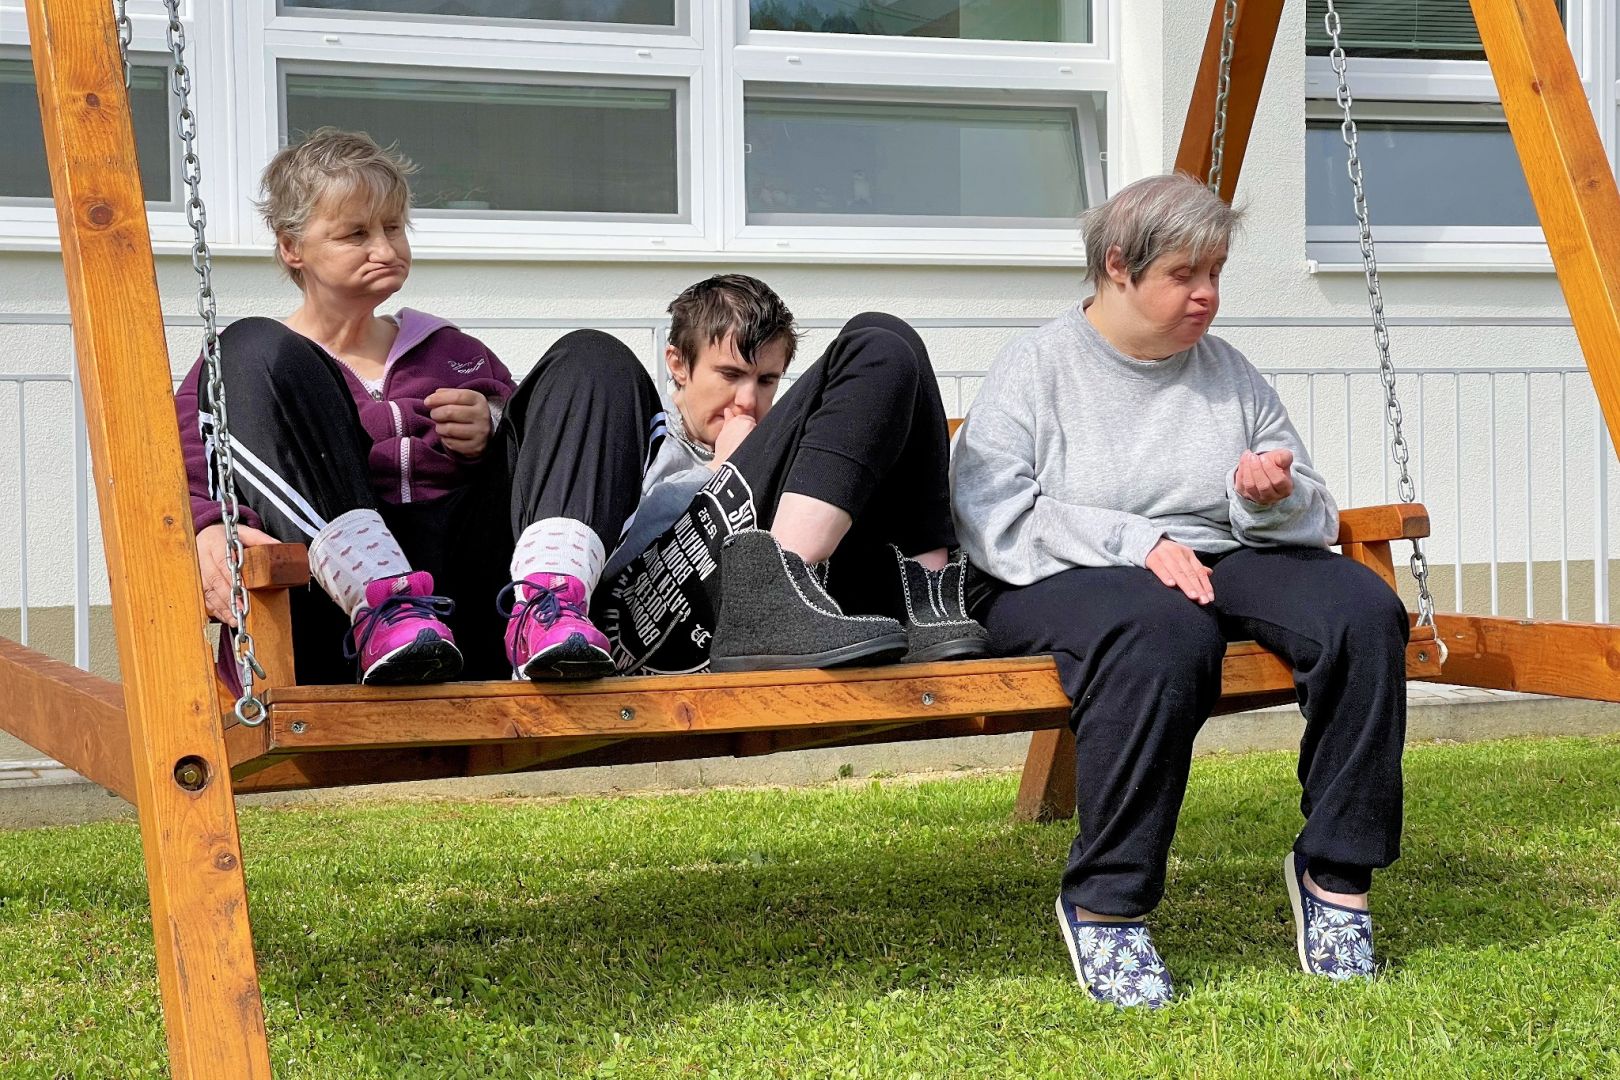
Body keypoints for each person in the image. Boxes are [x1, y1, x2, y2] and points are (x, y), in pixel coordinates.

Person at [951, 173, 1408, 1008]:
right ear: (1117, 267)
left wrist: (1266, 496)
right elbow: (993, 518)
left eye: (1216, 273)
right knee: (1164, 635)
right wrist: (1136, 542)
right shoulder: (1037, 366)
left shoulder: (1229, 373)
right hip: (1058, 571)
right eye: (1184, 275)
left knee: (1363, 612)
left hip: (1217, 554)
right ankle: (1107, 904)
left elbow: (1312, 512)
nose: (1207, 295)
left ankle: (1336, 874)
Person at [176, 128, 659, 686]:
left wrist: (491, 426)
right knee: (246, 343)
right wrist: (205, 528)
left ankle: (550, 607)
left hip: (480, 608)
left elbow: (544, 448)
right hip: (331, 623)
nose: (385, 249)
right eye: (356, 233)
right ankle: (384, 606)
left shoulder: (452, 351)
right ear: (292, 247)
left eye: (393, 228)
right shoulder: (253, 367)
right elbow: (183, 469)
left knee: (595, 358)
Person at [594, 274, 989, 675]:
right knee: (875, 350)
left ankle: (926, 599)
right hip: (658, 621)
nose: (747, 399)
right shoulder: (647, 428)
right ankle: (774, 588)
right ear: (678, 364)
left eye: (767, 380)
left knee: (891, 332)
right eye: (730, 375)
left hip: (797, 608)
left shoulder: (763, 439)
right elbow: (613, 556)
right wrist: (717, 471)